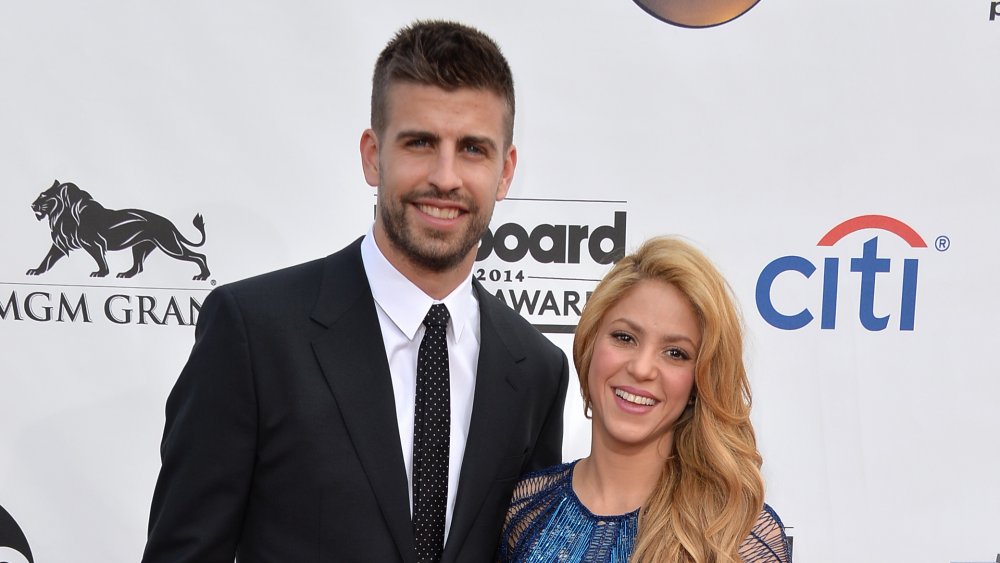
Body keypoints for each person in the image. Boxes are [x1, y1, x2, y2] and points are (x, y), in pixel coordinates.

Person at [141, 21, 569, 563]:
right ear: (372, 155)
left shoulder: (535, 368)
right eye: (420, 142)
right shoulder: (254, 333)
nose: (445, 177)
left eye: (472, 150)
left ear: (505, 171)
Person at [499, 237, 791, 563]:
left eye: (675, 353)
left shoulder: (735, 537)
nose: (641, 369)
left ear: (699, 381)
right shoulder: (524, 512)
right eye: (624, 337)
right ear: (589, 342)